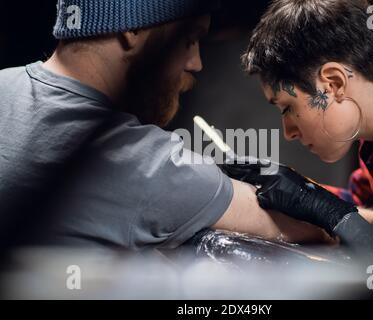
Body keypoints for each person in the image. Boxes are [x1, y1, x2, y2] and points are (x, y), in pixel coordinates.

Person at [0, 0, 333, 251]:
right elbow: (308, 229)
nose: (197, 62)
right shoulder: (147, 165)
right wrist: (369, 219)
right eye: (189, 40)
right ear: (132, 31)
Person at [224, 0, 373, 251]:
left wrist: (324, 208)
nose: (288, 133)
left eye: (287, 107)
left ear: (333, 84)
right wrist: (302, 193)